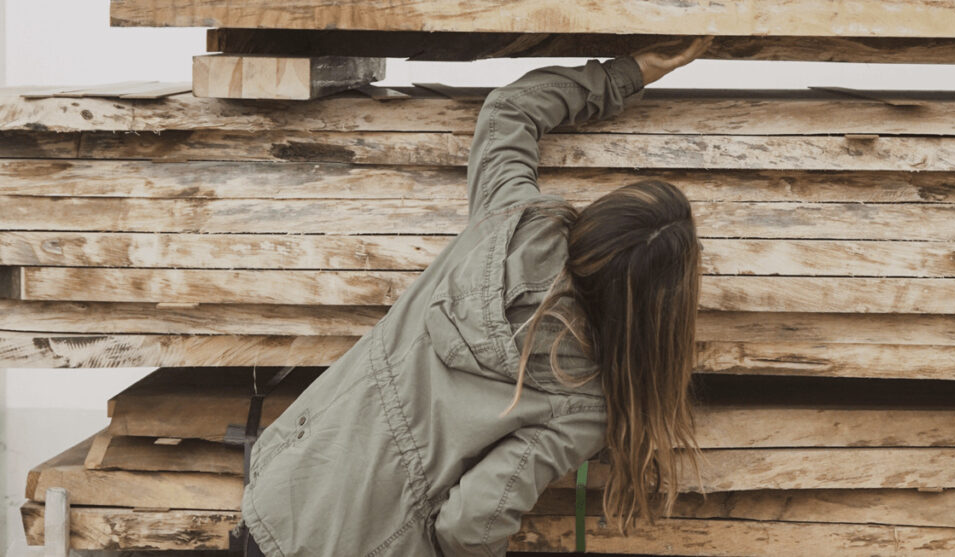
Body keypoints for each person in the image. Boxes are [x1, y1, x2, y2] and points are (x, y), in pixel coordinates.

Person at [238, 35, 714, 557]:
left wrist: (629, 72)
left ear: (596, 223)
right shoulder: (586, 400)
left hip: (278, 496)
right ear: (660, 311)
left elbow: (510, 111)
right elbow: (471, 525)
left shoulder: (509, 222)